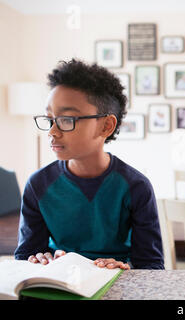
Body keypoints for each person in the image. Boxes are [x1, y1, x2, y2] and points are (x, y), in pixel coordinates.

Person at [15, 59, 164, 270]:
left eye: (67, 119)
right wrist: (37, 260)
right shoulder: (38, 184)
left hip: (115, 284)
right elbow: (25, 256)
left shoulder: (136, 186)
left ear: (106, 126)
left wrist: (125, 268)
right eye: (50, 119)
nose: (52, 131)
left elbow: (152, 266)